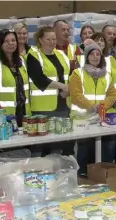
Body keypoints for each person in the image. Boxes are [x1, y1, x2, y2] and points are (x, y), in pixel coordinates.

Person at [26, 26, 74, 156]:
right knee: (39, 145)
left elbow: (70, 76)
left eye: (54, 39)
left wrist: (69, 89)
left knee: (58, 144)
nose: (52, 42)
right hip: (42, 108)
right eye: (48, 39)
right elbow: (39, 79)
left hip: (62, 105)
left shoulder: (61, 55)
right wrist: (63, 87)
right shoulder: (33, 56)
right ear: (40, 40)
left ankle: (55, 170)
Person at [69, 43, 116, 169]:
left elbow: (112, 95)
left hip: (100, 118)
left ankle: (101, 175)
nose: (95, 57)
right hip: (82, 119)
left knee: (103, 150)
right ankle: (83, 174)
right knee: (84, 150)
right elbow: (76, 95)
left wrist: (101, 107)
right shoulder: (77, 73)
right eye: (92, 54)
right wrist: (92, 106)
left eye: (98, 54)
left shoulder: (107, 75)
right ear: (87, 56)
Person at [0, 29, 30, 126]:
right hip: (1, 117)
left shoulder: (22, 61)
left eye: (13, 40)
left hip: (23, 115)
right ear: (0, 44)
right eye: (6, 41)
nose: (11, 43)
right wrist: (2, 115)